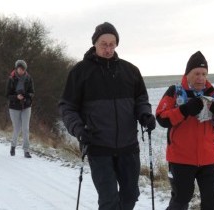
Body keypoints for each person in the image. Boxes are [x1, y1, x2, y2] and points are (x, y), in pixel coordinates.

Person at [58, 22, 156, 210]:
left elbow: (141, 99)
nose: (108, 48)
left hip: (128, 146)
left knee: (131, 194)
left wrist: (145, 115)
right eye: (104, 44)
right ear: (95, 43)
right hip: (97, 145)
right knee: (109, 199)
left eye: (112, 44)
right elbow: (67, 107)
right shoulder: (80, 72)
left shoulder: (131, 71)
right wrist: (78, 129)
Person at [155, 51, 214, 210]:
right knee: (181, 199)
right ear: (187, 74)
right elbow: (161, 118)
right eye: (196, 73)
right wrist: (184, 110)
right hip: (181, 158)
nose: (201, 77)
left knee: (212, 203)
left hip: (208, 158)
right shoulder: (175, 91)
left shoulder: (212, 94)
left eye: (204, 74)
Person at [6, 59, 35, 158]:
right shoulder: (11, 79)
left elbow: (32, 92)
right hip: (14, 107)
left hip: (26, 106)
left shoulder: (29, 78)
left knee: (25, 128)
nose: (20, 70)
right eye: (19, 68)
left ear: (25, 69)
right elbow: (7, 95)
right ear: (16, 68)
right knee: (17, 128)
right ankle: (13, 146)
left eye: (22, 69)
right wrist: (16, 97)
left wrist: (26, 97)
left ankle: (26, 150)